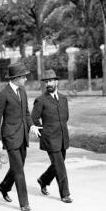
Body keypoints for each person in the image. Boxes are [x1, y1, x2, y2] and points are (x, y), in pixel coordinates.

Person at [0, 62, 42, 211]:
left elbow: (26, 113)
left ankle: (4, 186)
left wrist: (31, 125)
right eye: (24, 77)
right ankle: (24, 203)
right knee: (19, 170)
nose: (26, 79)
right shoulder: (3, 95)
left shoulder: (23, 92)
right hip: (10, 137)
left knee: (17, 166)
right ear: (16, 78)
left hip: (23, 136)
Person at [31, 69, 73, 203]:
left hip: (62, 138)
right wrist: (43, 133)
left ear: (56, 82)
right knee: (60, 166)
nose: (47, 84)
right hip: (49, 139)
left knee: (57, 164)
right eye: (45, 82)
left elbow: (65, 117)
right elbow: (34, 119)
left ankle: (43, 180)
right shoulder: (40, 100)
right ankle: (65, 194)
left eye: (50, 81)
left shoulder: (63, 99)